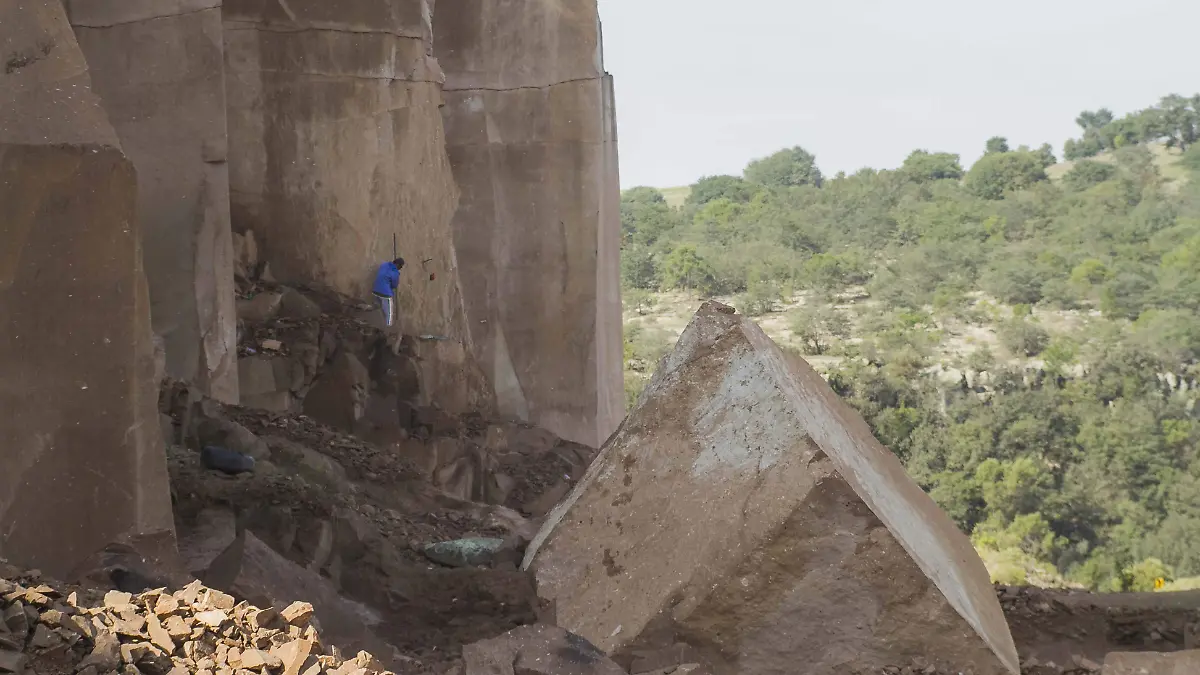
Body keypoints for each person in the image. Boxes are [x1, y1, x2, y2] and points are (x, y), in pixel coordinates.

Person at [372, 257, 405, 327]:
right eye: (401, 266)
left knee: (377, 306)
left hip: (375, 290)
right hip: (385, 294)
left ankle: (366, 309)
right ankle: (388, 330)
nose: (400, 268)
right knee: (389, 314)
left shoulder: (384, 264)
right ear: (398, 265)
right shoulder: (395, 273)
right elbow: (394, 285)